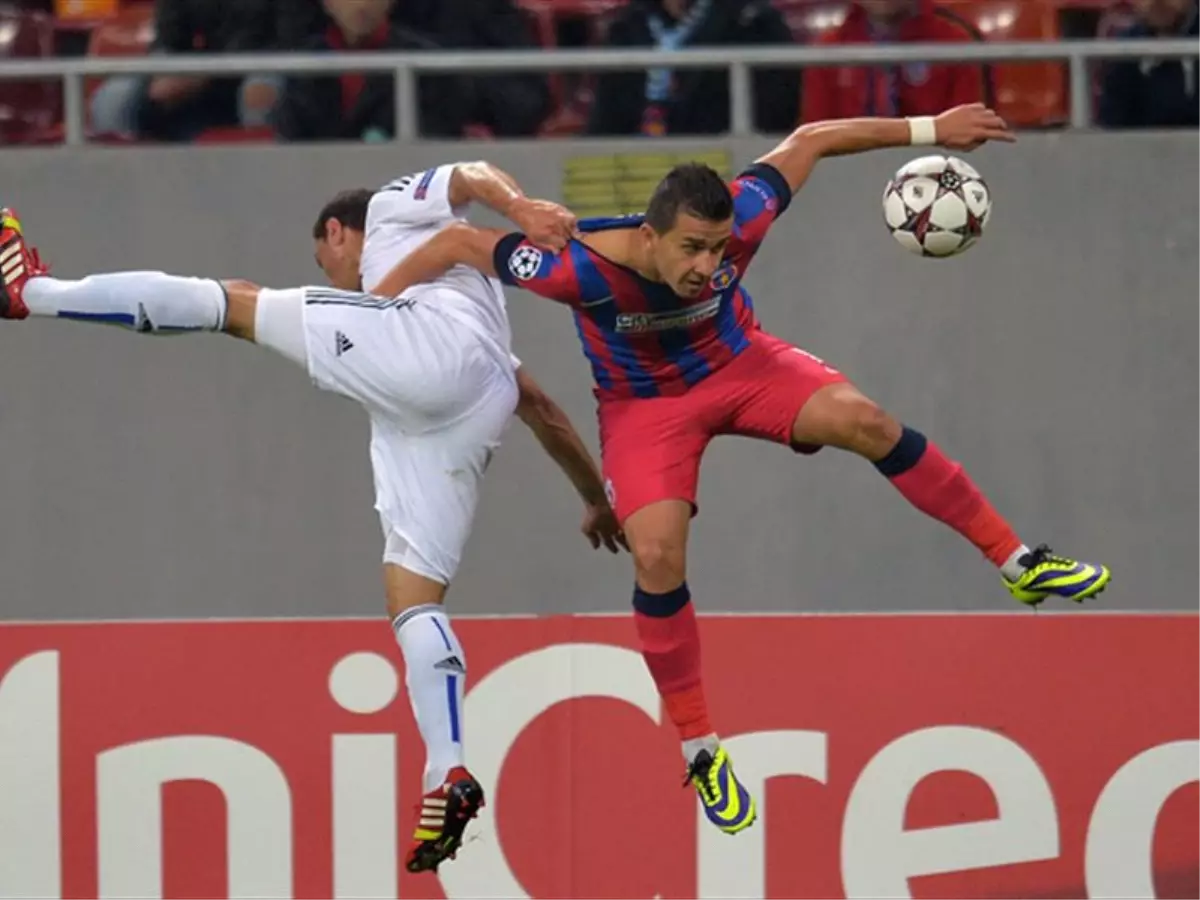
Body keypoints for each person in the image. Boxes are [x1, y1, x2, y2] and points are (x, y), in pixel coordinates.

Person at [366, 104, 1113, 837]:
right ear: (650, 235)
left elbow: (814, 138)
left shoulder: (745, 216)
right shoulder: (573, 267)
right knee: (656, 555)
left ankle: (1018, 562)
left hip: (742, 366)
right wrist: (371, 314)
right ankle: (701, 751)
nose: (706, 265)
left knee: (868, 421)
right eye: (691, 248)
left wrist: (928, 131)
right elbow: (460, 244)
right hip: (644, 408)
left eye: (718, 249)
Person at [0, 160, 625, 873]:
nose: (330, 273)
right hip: (475, 395)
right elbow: (542, 409)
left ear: (337, 231)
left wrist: (520, 209)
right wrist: (595, 497)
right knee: (413, 595)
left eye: (323, 258)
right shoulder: (476, 304)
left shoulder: (392, 209)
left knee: (233, 302)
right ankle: (447, 767)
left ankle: (31, 292)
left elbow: (471, 185)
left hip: (425, 354)